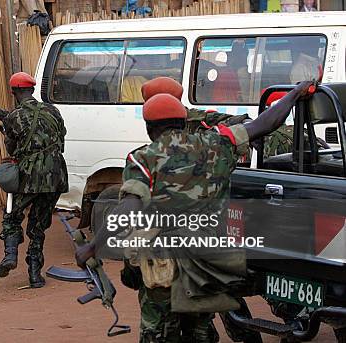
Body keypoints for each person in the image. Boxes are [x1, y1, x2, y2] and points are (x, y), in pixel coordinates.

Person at [76, 79, 315, 342]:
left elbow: (129, 206)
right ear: (182, 119)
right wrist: (294, 94)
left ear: (149, 128)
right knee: (200, 331)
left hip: (165, 264)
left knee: (159, 332)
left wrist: (92, 246)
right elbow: (265, 124)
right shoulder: (218, 143)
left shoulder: (143, 158)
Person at [0, 72, 68, 288]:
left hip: (30, 175)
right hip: (55, 175)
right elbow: (61, 136)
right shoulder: (53, 110)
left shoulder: (14, 116)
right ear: (32, 90)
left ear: (13, 92)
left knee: (11, 217)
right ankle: (35, 275)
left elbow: (12, 148)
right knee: (38, 226)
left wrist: (6, 129)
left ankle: (10, 256)